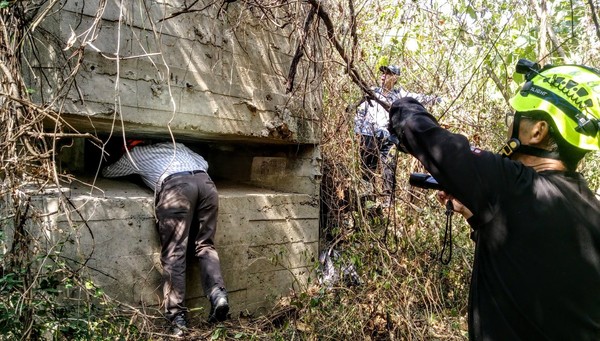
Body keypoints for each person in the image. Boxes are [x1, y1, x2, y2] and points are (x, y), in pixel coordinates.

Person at [388, 60, 600, 340]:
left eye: (517, 117)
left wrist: (401, 104)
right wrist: (477, 217)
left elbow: (429, 139)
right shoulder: (590, 208)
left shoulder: (513, 185)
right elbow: (530, 264)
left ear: (538, 131)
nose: (511, 123)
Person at [102, 140, 229, 336]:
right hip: (206, 185)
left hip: (177, 189)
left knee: (175, 253)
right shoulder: (177, 145)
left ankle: (177, 319)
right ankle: (218, 295)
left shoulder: (135, 153)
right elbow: (204, 163)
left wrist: (139, 173)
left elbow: (109, 172)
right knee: (205, 245)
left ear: (128, 146)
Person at [353, 64, 438, 206]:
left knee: (388, 166)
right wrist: (358, 131)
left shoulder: (399, 95)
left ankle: (388, 199)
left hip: (387, 136)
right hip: (368, 134)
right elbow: (361, 110)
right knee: (367, 167)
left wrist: (436, 99)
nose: (383, 76)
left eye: (387, 73)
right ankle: (368, 200)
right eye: (382, 73)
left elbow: (417, 98)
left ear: (395, 78)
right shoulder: (373, 92)